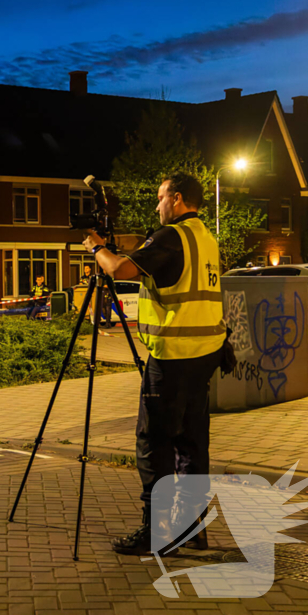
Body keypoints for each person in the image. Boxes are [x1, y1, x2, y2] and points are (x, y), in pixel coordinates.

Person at [82, 171, 225, 555]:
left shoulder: (171, 237)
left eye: (161, 198)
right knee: (192, 443)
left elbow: (121, 270)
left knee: (154, 443)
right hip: (204, 354)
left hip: (173, 356)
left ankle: (156, 531)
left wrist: (96, 247)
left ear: (177, 199)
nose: (157, 206)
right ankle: (193, 528)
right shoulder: (206, 238)